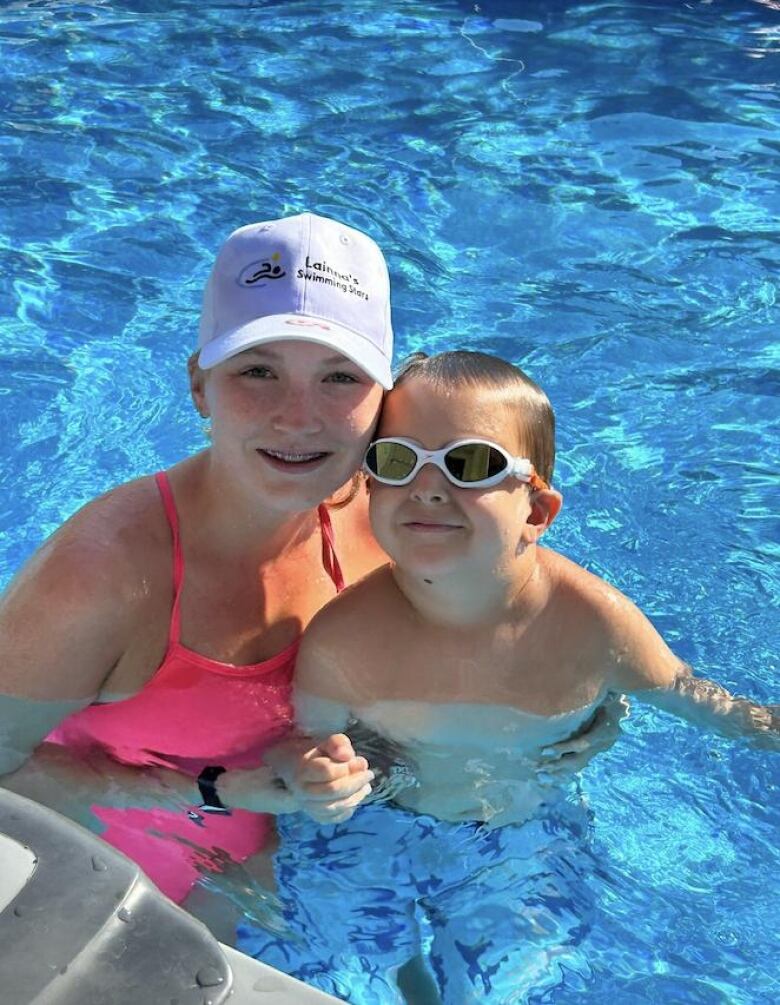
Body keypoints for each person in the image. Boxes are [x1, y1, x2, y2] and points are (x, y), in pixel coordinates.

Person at [237, 350, 779, 1004]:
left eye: (469, 464)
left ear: (538, 510)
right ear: (369, 486)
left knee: (497, 985)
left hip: (520, 828)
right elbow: (298, 744)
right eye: (397, 460)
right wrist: (312, 772)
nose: (428, 487)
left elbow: (700, 701)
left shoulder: (594, 626)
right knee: (329, 969)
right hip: (379, 827)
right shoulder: (345, 640)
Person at [0, 212, 395, 937]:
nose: (298, 417)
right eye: (257, 371)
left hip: (268, 884)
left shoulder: (388, 520)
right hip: (110, 912)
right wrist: (206, 789)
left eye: (339, 377)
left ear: (381, 403)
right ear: (198, 386)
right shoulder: (106, 577)